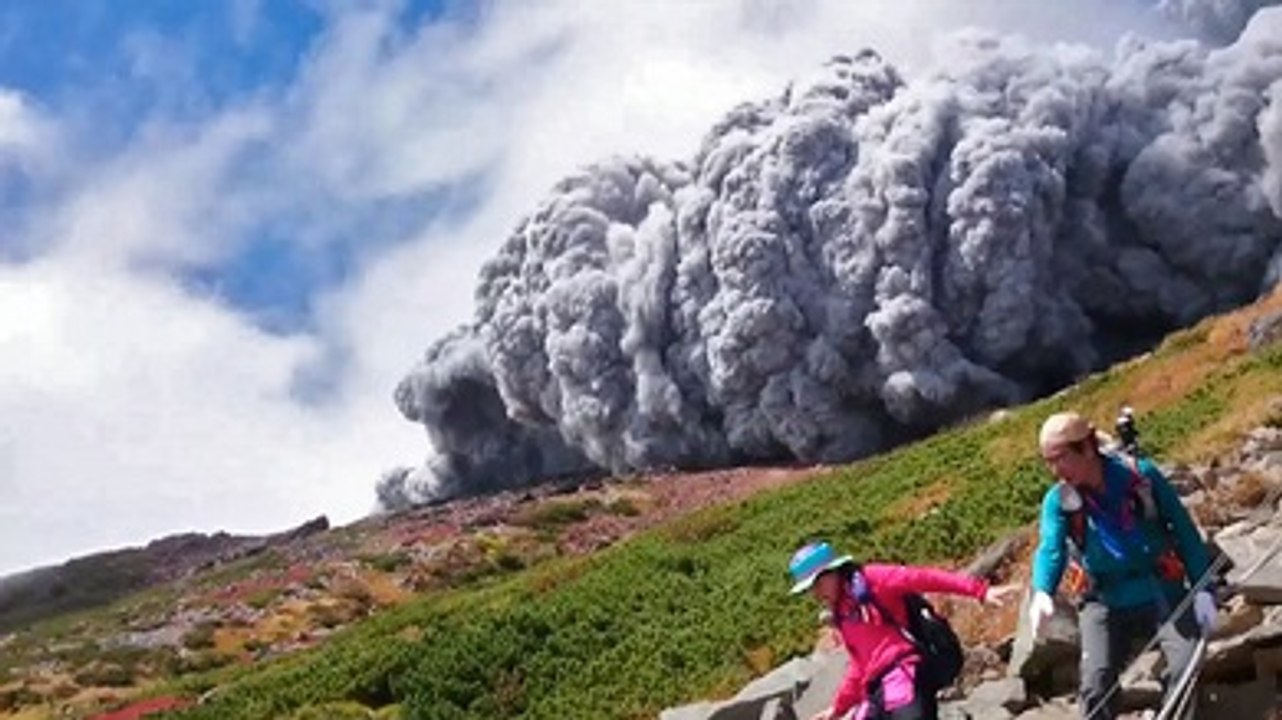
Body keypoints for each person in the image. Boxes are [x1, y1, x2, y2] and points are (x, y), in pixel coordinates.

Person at [1027, 411, 1217, 720]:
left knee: (1185, 666)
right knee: (1095, 683)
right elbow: (1051, 548)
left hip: (1159, 587)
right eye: (1048, 461)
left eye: (1060, 458)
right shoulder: (1058, 501)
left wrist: (1202, 587)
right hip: (1103, 599)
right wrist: (1042, 591)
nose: (1054, 470)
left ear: (1087, 448)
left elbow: (1183, 531)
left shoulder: (1140, 477)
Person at [788, 541, 1020, 720]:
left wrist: (979, 591)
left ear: (833, 571)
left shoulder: (872, 579)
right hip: (877, 691)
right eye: (811, 589)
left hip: (905, 675)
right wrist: (838, 708)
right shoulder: (842, 614)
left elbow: (924, 578)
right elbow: (860, 667)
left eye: (818, 584)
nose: (816, 595)